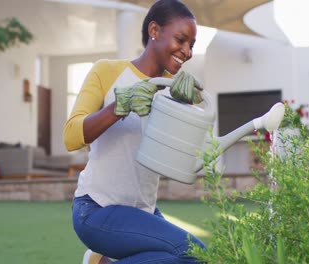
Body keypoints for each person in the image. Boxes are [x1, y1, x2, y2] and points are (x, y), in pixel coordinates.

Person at [63, 0, 206, 263]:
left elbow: (181, 159)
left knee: (190, 259)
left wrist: (187, 106)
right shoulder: (106, 71)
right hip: (96, 209)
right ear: (154, 30)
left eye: (191, 45)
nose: (187, 52)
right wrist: (120, 105)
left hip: (144, 213)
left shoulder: (172, 91)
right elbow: (71, 136)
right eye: (181, 40)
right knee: (195, 254)